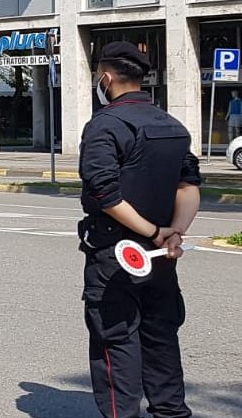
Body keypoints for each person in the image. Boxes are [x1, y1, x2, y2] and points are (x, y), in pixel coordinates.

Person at [78, 41, 202, 418]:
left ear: (106, 77)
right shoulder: (172, 125)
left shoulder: (105, 125)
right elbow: (190, 185)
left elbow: (106, 194)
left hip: (117, 255)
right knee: (161, 336)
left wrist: (152, 233)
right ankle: (170, 411)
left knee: (115, 343)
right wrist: (174, 232)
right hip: (163, 256)